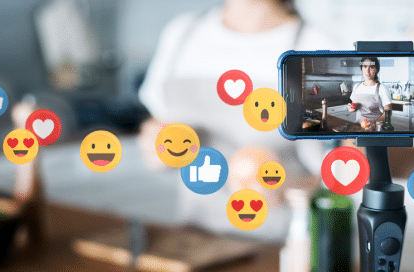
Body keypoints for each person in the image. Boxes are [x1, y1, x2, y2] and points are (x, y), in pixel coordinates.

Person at [137, 0, 338, 240]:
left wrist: (288, 187)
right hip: (195, 238)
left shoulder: (319, 47)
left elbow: (340, 177)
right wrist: (159, 150)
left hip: (280, 246)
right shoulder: (182, 33)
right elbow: (158, 137)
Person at [347, 57, 393, 131]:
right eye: (365, 66)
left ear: (376, 69)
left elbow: (388, 112)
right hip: (358, 128)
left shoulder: (382, 88)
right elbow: (354, 105)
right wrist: (352, 108)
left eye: (371, 67)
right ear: (361, 68)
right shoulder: (356, 87)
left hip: (375, 129)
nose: (367, 71)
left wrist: (374, 123)